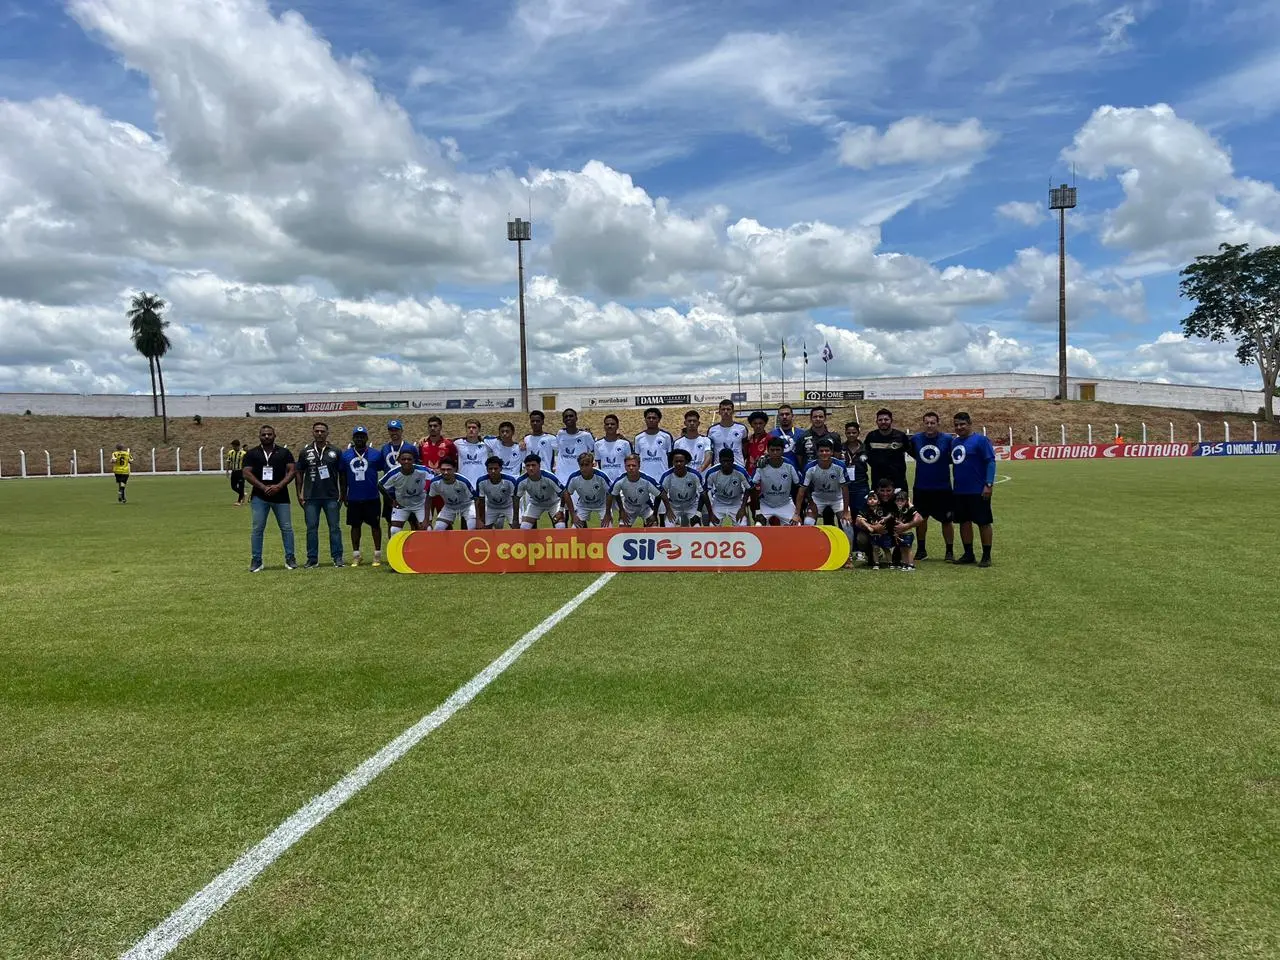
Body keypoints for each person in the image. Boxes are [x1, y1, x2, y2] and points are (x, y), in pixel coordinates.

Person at [242, 425, 297, 572]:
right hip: (259, 497)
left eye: (269, 434)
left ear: (275, 435)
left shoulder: (284, 452)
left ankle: (290, 558)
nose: (266, 436)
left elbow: (292, 471)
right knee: (257, 529)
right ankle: (256, 560)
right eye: (264, 434)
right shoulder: (252, 453)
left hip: (281, 496)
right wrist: (263, 487)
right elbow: (246, 473)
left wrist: (279, 486)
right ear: (259, 436)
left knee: (286, 528)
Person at [294, 421, 344, 569]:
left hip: (331, 496)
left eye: (322, 431)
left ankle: (337, 557)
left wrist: (343, 493)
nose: (320, 433)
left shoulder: (335, 451)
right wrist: (299, 493)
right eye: (317, 431)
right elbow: (299, 473)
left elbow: (342, 474)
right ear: (313, 433)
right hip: (311, 497)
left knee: (334, 528)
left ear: (327, 433)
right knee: (311, 529)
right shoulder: (305, 452)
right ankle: (312, 559)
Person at [950, 411, 996, 567]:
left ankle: (986, 556)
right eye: (956, 425)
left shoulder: (981, 440)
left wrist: (988, 484)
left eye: (962, 424)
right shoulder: (954, 442)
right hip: (959, 490)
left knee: (983, 522)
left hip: (978, 490)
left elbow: (990, 462)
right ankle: (968, 554)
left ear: (970, 424)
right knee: (964, 522)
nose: (959, 427)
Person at [909, 411, 956, 562]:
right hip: (921, 487)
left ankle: (949, 551)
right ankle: (921, 550)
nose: (929, 425)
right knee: (920, 519)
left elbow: (954, 457)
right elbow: (914, 454)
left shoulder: (948, 439)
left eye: (932, 423)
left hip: (943, 488)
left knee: (947, 520)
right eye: (927, 423)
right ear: (923, 423)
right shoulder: (916, 439)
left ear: (938, 423)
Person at [339, 426, 384, 567]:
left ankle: (377, 555)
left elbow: (382, 471)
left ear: (367, 438)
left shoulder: (376, 454)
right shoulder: (346, 455)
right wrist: (343, 494)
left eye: (362, 436)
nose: (359, 439)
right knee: (355, 526)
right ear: (353, 438)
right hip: (353, 497)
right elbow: (342, 476)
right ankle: (356, 555)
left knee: (375, 526)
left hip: (372, 496)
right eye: (357, 436)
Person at [857, 477, 921, 570]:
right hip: (876, 533)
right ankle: (872, 555)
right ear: (877, 490)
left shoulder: (900, 498)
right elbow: (858, 521)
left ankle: (900, 557)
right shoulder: (871, 498)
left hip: (895, 532)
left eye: (888, 490)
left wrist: (905, 526)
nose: (885, 494)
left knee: (900, 554)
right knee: (861, 538)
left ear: (894, 490)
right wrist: (874, 528)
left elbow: (919, 518)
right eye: (882, 491)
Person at [793, 439, 850, 528]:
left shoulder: (840, 466)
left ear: (832, 452)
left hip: (837, 499)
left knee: (847, 524)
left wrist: (846, 511)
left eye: (827, 451)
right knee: (808, 522)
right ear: (817, 452)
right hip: (818, 499)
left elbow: (845, 489)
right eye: (821, 451)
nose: (824, 453)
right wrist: (798, 512)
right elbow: (802, 491)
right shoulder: (810, 467)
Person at [381, 448, 433, 535]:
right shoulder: (394, 473)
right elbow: (380, 484)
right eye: (403, 459)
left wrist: (427, 491)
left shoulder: (423, 470)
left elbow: (433, 478)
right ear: (399, 461)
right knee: (394, 530)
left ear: (413, 460)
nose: (406, 461)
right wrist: (391, 500)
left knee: (428, 529)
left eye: (409, 459)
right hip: (402, 505)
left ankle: (425, 544)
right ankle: (397, 545)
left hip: (420, 504)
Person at [753, 438, 801, 525]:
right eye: (772, 450)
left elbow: (799, 487)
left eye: (778, 450)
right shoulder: (761, 466)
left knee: (797, 525)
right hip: (765, 504)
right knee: (758, 526)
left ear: (783, 450)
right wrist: (758, 511)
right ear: (768, 450)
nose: (775, 452)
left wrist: (797, 513)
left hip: (785, 504)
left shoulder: (789, 465)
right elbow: (753, 488)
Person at [842, 422, 872, 562]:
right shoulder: (841, 448)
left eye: (854, 432)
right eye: (849, 433)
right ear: (845, 433)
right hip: (845, 487)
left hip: (861, 487)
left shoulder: (865, 449)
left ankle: (861, 549)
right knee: (846, 517)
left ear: (858, 433)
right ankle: (849, 548)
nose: (851, 435)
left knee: (860, 516)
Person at [379, 419, 418, 526]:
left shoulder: (410, 448)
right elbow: (382, 466)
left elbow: (417, 466)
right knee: (391, 522)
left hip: (408, 490)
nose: (394, 432)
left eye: (396, 430)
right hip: (390, 492)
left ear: (401, 431)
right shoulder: (385, 448)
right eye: (391, 430)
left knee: (414, 522)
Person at [610, 454, 661, 527]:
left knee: (653, 527)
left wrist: (655, 514)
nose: (631, 468)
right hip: (629, 507)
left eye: (634, 465)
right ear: (625, 466)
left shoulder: (647, 480)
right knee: (622, 531)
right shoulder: (620, 480)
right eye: (628, 465)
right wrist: (621, 510)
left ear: (639, 466)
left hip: (645, 506)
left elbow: (660, 495)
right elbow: (613, 494)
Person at [515, 455, 566, 529]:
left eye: (533, 465)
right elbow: (516, 498)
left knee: (560, 527)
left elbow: (564, 493)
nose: (531, 468)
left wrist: (561, 510)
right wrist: (515, 519)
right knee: (524, 527)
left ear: (539, 465)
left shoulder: (549, 477)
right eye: (528, 466)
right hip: (536, 504)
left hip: (554, 503)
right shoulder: (521, 481)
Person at [864, 408, 910, 489]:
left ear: (891, 420)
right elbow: (866, 454)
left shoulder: (901, 436)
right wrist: (875, 464)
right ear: (876, 422)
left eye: (886, 419)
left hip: (898, 482)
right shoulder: (871, 436)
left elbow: (911, 451)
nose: (883, 422)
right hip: (878, 481)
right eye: (880, 420)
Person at [564, 451, 614, 527]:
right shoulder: (574, 478)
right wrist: (573, 515)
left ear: (592, 464)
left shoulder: (601, 476)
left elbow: (610, 492)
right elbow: (566, 493)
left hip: (602, 505)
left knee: (607, 528)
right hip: (583, 505)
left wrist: (608, 513)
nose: (584, 468)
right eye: (581, 465)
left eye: (587, 465)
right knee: (574, 529)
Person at [703, 448, 751, 526]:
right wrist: (710, 513)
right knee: (712, 526)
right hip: (719, 502)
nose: (726, 464)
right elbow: (704, 492)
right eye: (724, 461)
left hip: (736, 502)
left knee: (742, 524)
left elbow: (749, 488)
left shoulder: (741, 471)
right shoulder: (711, 472)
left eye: (728, 461)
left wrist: (742, 509)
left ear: (733, 460)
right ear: (719, 460)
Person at [428, 457, 477, 530]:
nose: (446, 472)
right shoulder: (435, 482)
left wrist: (479, 519)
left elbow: (476, 498)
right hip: (449, 507)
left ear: (454, 469)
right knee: (438, 528)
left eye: (449, 469)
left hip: (467, 506)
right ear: (439, 469)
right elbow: (428, 498)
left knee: (472, 526)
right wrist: (427, 519)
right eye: (443, 469)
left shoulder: (463, 481)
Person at [659, 449, 703, 526]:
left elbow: (703, 494)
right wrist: (668, 509)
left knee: (697, 527)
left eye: (681, 461)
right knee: (668, 527)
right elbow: (661, 494)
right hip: (674, 507)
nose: (679, 463)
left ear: (686, 462)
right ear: (672, 462)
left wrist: (698, 513)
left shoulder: (694, 475)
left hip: (691, 505)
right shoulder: (666, 476)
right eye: (676, 461)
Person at [475, 457, 519, 530]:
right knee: (483, 529)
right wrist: (482, 520)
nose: (493, 471)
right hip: (492, 507)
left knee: (516, 527)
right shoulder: (481, 481)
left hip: (509, 507)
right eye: (490, 469)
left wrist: (515, 519)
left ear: (501, 469)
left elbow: (515, 500)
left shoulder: (510, 481)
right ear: (487, 469)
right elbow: (481, 502)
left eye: (495, 469)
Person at [554, 408, 595, 485]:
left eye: (571, 416)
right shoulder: (560, 434)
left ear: (576, 418)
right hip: (562, 476)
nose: (568, 418)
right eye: (566, 417)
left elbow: (593, 450)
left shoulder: (585, 435)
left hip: (580, 476)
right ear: (563, 420)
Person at [795, 406, 841, 472]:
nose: (818, 419)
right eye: (815, 417)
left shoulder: (834, 437)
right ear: (811, 419)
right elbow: (799, 459)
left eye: (821, 417)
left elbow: (837, 458)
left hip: (830, 474)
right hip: (809, 474)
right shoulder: (802, 437)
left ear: (825, 418)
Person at [707, 398, 748, 467]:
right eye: (723, 409)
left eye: (728, 409)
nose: (726, 411)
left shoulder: (742, 428)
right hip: (719, 467)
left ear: (733, 411)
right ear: (719, 412)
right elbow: (710, 451)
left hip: (738, 466)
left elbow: (746, 448)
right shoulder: (712, 430)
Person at [593, 414, 632, 485]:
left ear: (617, 426)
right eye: (607, 424)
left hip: (622, 482)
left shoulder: (625, 444)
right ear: (604, 426)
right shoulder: (597, 444)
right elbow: (598, 464)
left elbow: (629, 463)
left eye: (612, 424)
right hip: (605, 482)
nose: (609, 426)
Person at [454, 419, 490, 487]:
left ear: (479, 430)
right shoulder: (457, 443)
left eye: (474, 427)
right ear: (466, 429)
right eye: (469, 427)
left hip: (481, 483)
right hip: (463, 483)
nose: (471, 429)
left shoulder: (486, 444)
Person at [522, 410, 557, 476]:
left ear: (542, 422)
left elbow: (562, 452)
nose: (535, 423)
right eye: (532, 421)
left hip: (546, 474)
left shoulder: (551, 438)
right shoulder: (526, 438)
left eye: (537, 421)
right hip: (530, 475)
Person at [225, 440, 246, 505]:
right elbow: (228, 462)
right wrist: (227, 471)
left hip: (240, 471)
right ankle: (242, 494)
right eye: (233, 446)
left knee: (241, 486)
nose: (233, 447)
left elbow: (246, 463)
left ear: (238, 446)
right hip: (234, 471)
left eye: (234, 446)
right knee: (233, 487)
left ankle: (239, 501)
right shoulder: (231, 452)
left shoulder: (243, 453)